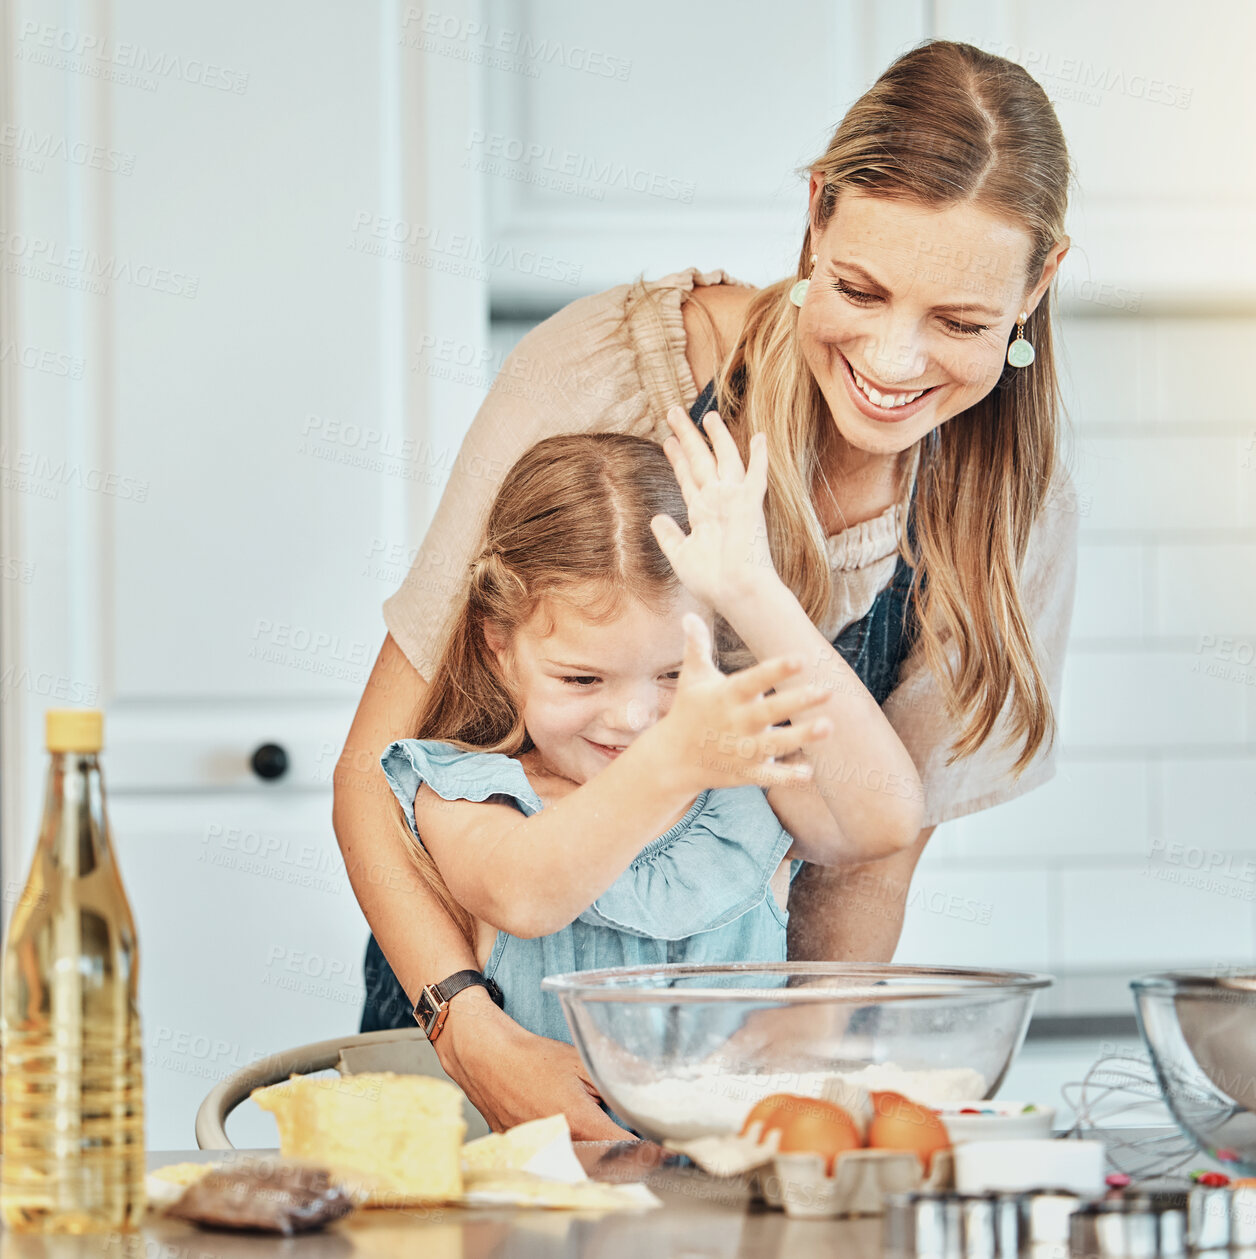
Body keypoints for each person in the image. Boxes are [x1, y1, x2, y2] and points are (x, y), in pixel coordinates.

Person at [333, 39, 1078, 1137]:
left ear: (1040, 283)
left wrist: (798, 1070)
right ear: (816, 212)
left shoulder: (1004, 500)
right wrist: (474, 1031)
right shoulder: (607, 371)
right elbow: (369, 774)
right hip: (477, 1035)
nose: (894, 359)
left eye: (961, 323)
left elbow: (874, 840)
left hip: (711, 1081)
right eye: (860, 289)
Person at [375, 431, 920, 1121]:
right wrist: (671, 763)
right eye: (581, 677)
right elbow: (526, 895)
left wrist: (752, 591)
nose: (633, 718)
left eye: (668, 674)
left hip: (733, 1198)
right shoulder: (468, 792)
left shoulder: (739, 774)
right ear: (500, 649)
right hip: (541, 1202)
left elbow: (886, 817)